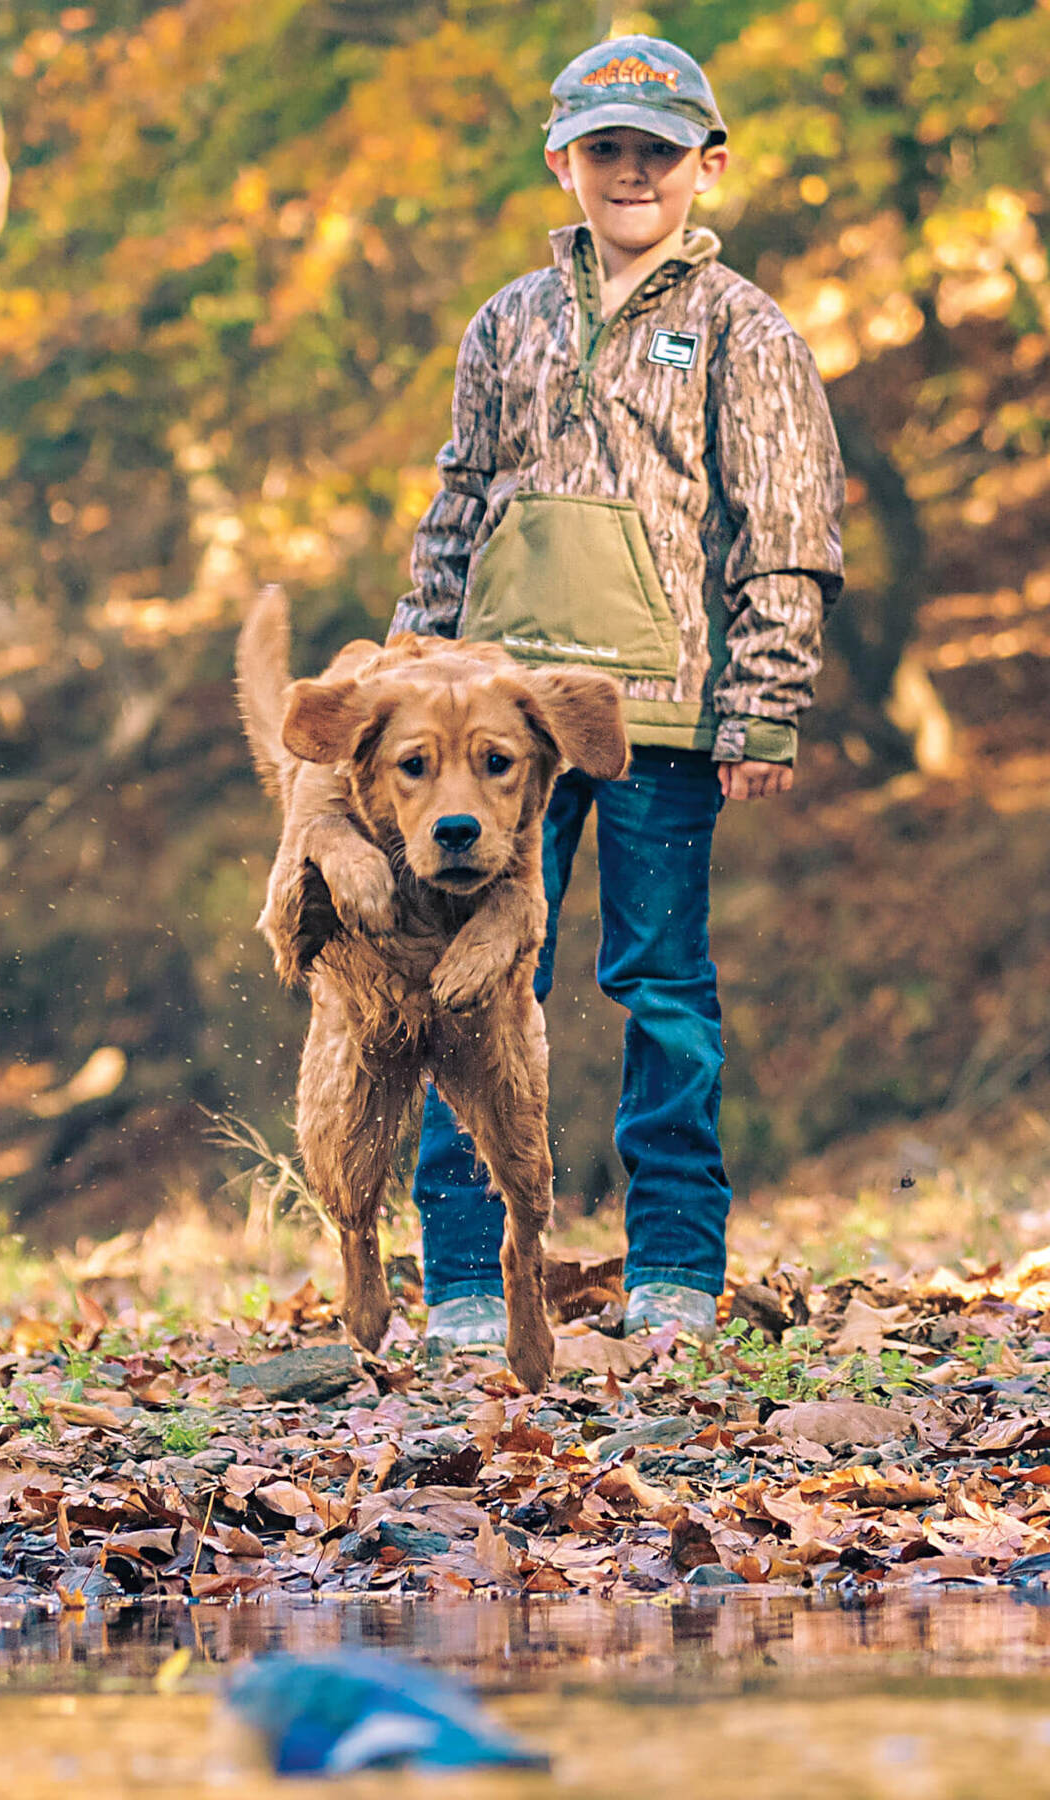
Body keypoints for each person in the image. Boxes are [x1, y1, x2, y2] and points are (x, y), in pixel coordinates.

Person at [389, 34, 844, 1351]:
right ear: (564, 162)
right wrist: (412, 671)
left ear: (707, 163)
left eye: (657, 151)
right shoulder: (507, 323)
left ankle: (676, 1277)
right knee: (472, 987)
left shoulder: (742, 331)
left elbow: (790, 521)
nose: (631, 173)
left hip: (665, 720)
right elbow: (457, 507)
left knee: (662, 988)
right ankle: (470, 1280)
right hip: (501, 735)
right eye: (607, 151)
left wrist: (765, 701)